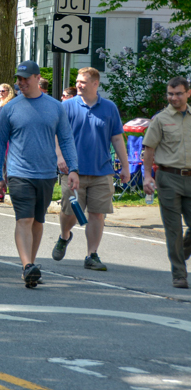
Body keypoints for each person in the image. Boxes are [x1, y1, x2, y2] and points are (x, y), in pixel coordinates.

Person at [0, 61, 79, 289]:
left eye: (25, 78)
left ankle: (30, 267)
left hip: (46, 173)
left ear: (37, 78)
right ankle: (27, 265)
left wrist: (73, 168)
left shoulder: (55, 107)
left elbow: (67, 139)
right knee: (24, 219)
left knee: (38, 220)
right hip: (19, 173)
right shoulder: (10, 108)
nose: (21, 82)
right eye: (18, 79)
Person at [53, 67, 129, 272]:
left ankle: (92, 254)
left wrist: (125, 166)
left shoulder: (109, 108)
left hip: (102, 171)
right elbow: (56, 134)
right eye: (77, 81)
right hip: (73, 171)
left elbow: (117, 138)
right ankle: (64, 236)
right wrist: (59, 157)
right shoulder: (66, 106)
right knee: (70, 213)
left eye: (83, 82)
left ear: (95, 84)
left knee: (97, 214)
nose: (78, 84)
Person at [142, 76, 191, 289]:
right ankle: (179, 274)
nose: (174, 98)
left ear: (188, 93)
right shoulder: (160, 119)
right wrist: (147, 176)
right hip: (168, 178)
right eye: (170, 94)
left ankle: (181, 251)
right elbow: (149, 149)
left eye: (178, 93)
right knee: (173, 229)